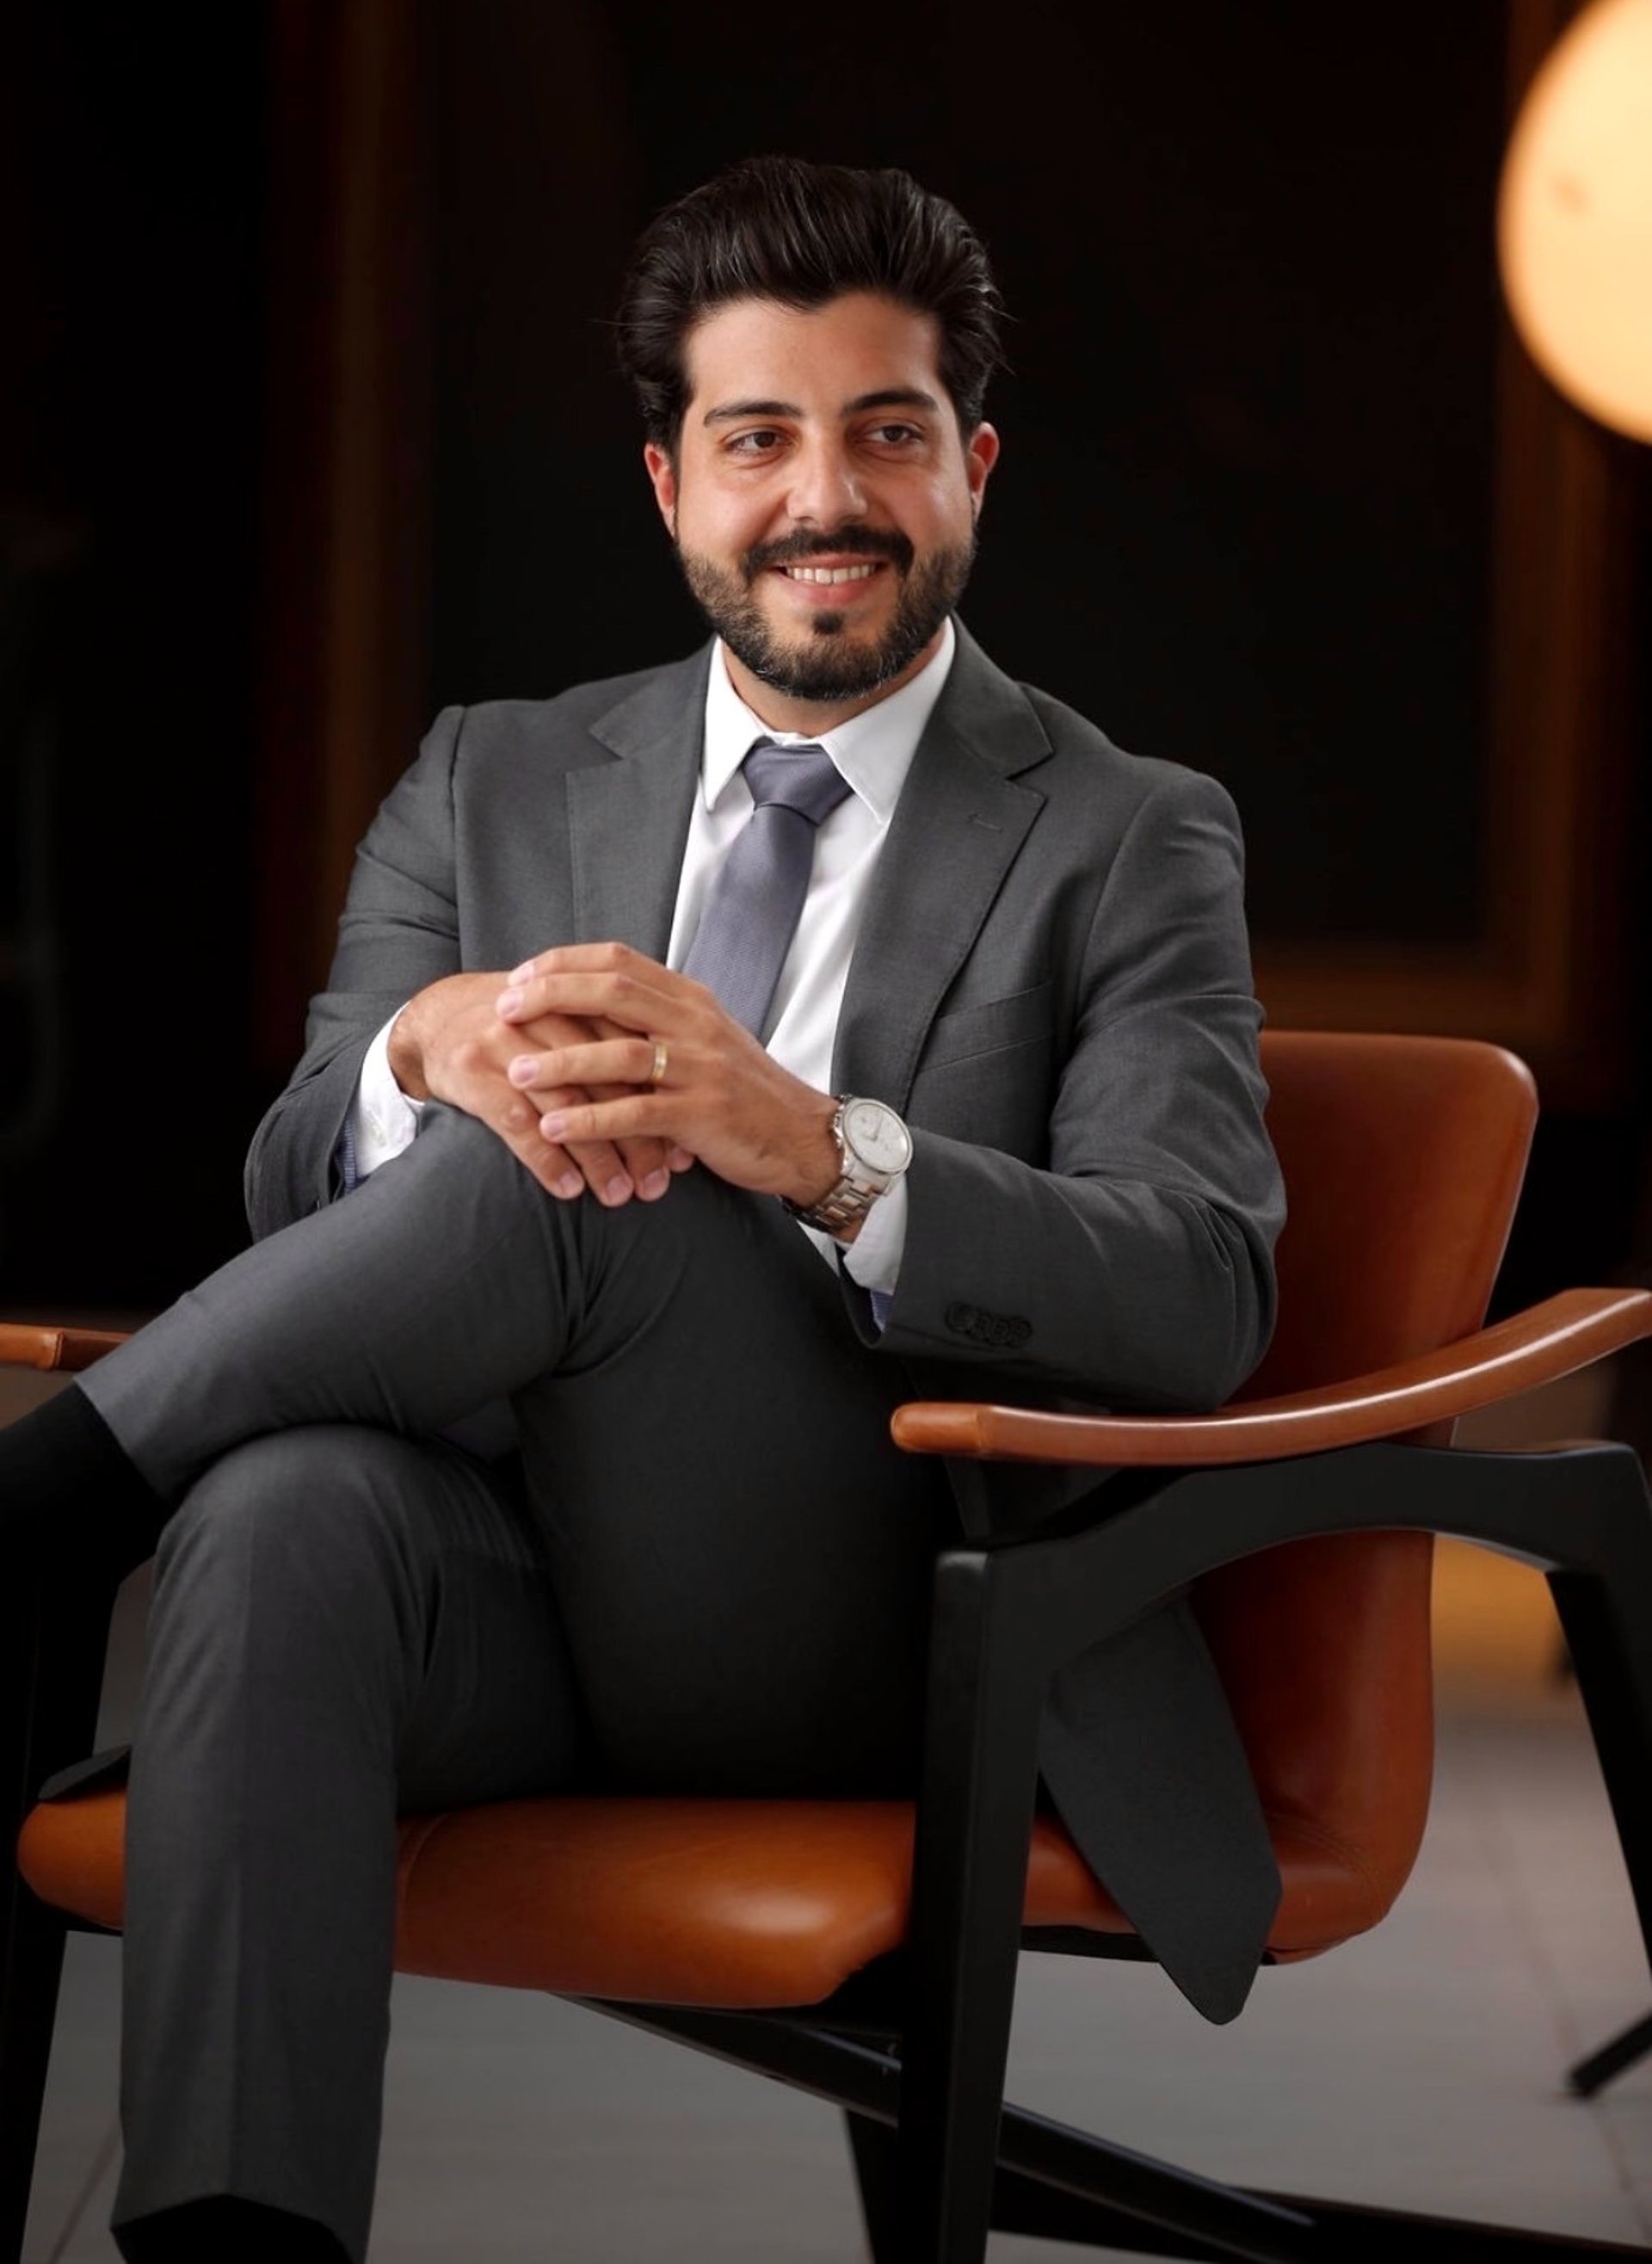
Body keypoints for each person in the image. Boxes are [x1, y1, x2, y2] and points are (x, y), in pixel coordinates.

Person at [3, 156, 1285, 2263]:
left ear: (972, 469)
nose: (824, 499)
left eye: (885, 433)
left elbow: (1203, 1285)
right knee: (279, 1512)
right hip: (502, 1589)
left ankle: (40, 1514)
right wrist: (420, 1056)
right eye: (758, 438)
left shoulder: (1129, 835)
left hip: (878, 1614)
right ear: (670, 487)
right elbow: (288, 1185)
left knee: (619, 1174)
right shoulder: (489, 779)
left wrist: (812, 1145)